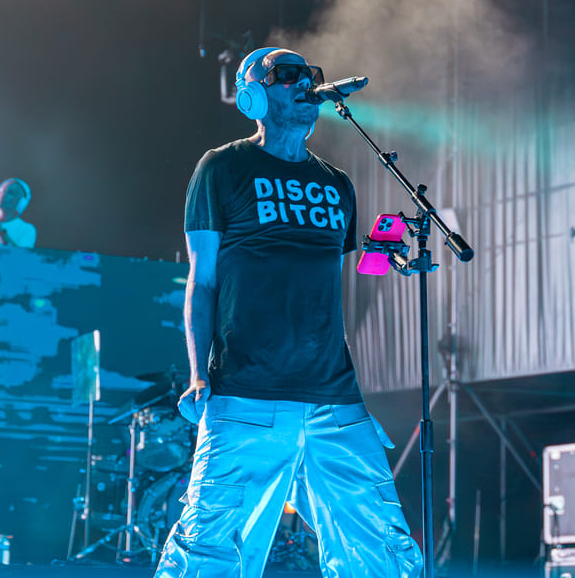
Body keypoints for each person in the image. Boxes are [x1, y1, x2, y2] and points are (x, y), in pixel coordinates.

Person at [154, 47, 423, 578]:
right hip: (244, 394)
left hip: (335, 400)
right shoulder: (222, 168)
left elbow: (338, 289)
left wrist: (386, 262)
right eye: (287, 75)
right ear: (252, 97)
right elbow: (201, 281)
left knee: (382, 552)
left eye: (310, 75)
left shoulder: (337, 184)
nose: (305, 84)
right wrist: (197, 373)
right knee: (210, 552)